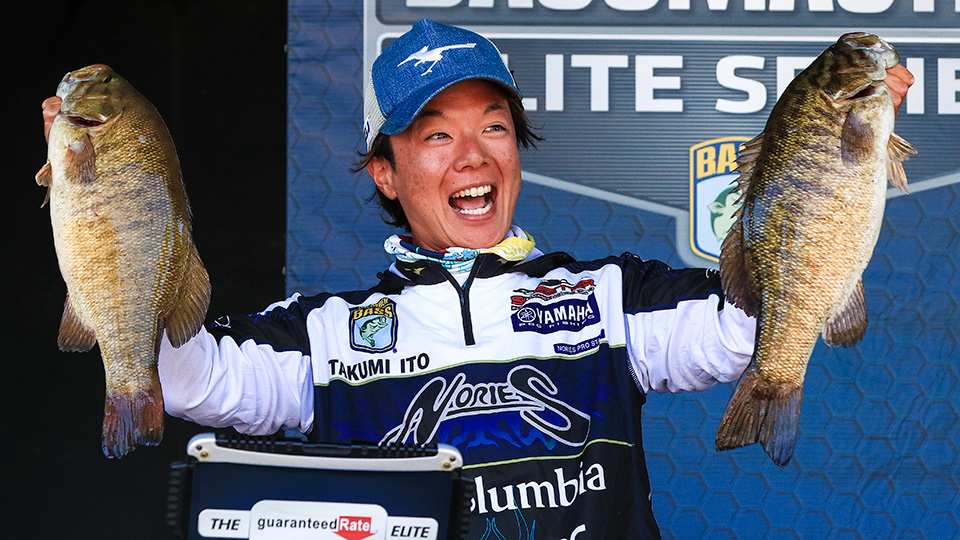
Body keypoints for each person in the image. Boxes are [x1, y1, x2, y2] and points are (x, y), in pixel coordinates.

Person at [42, 19, 914, 539]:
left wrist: (837, 167)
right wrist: (111, 211)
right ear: (386, 173)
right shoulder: (323, 332)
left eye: (493, 126)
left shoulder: (611, 296)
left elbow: (743, 328)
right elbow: (193, 379)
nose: (473, 155)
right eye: (435, 135)